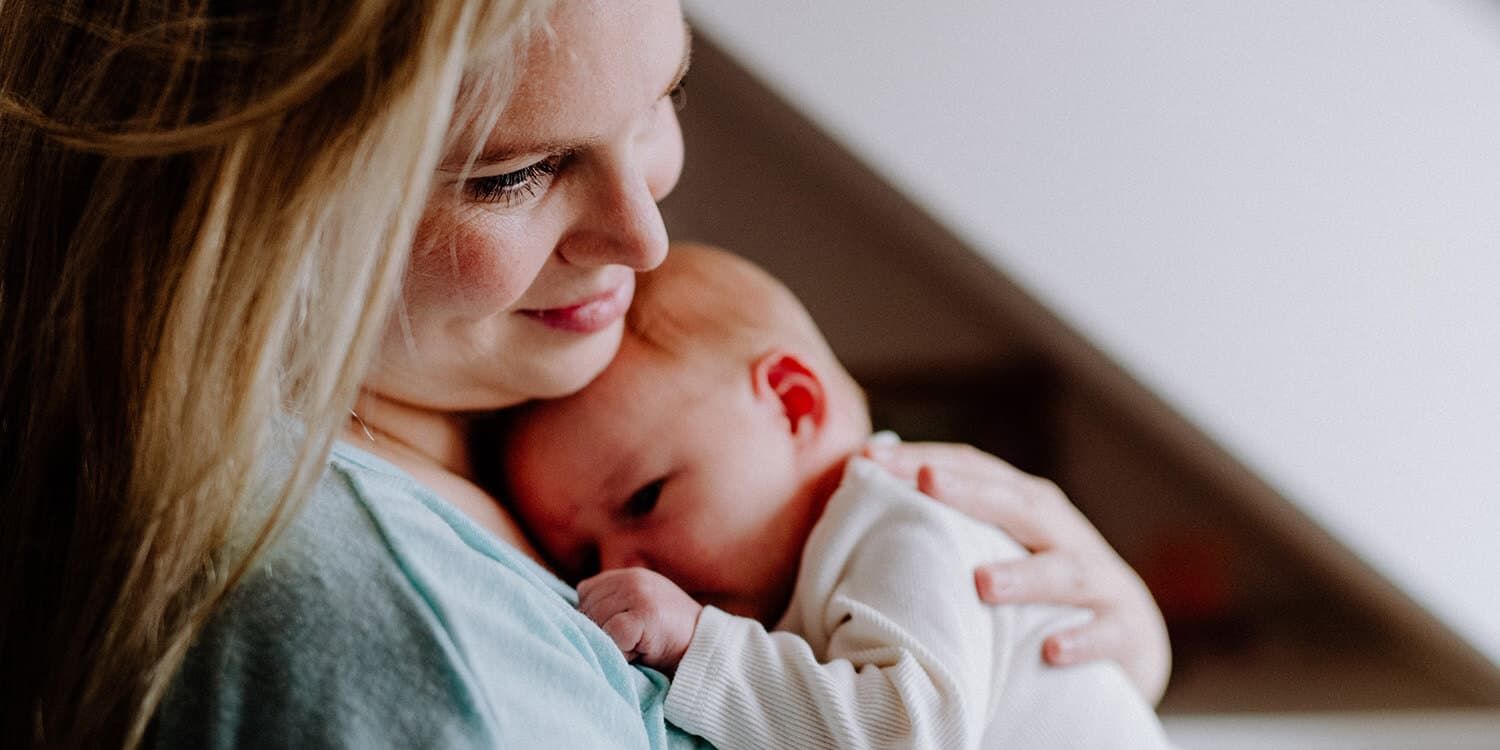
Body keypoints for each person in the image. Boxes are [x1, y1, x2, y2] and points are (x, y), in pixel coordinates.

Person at [0, 0, 1169, 747]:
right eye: (512, 173)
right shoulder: (403, 632)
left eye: (661, 97)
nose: (646, 237)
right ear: (242, 201)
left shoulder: (556, 410)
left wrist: (1099, 656)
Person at [500, 244, 1172, 749]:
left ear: (793, 406)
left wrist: (699, 645)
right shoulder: (811, 574)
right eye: (583, 558)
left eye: (645, 498)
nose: (623, 566)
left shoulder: (900, 521)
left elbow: (904, 733)